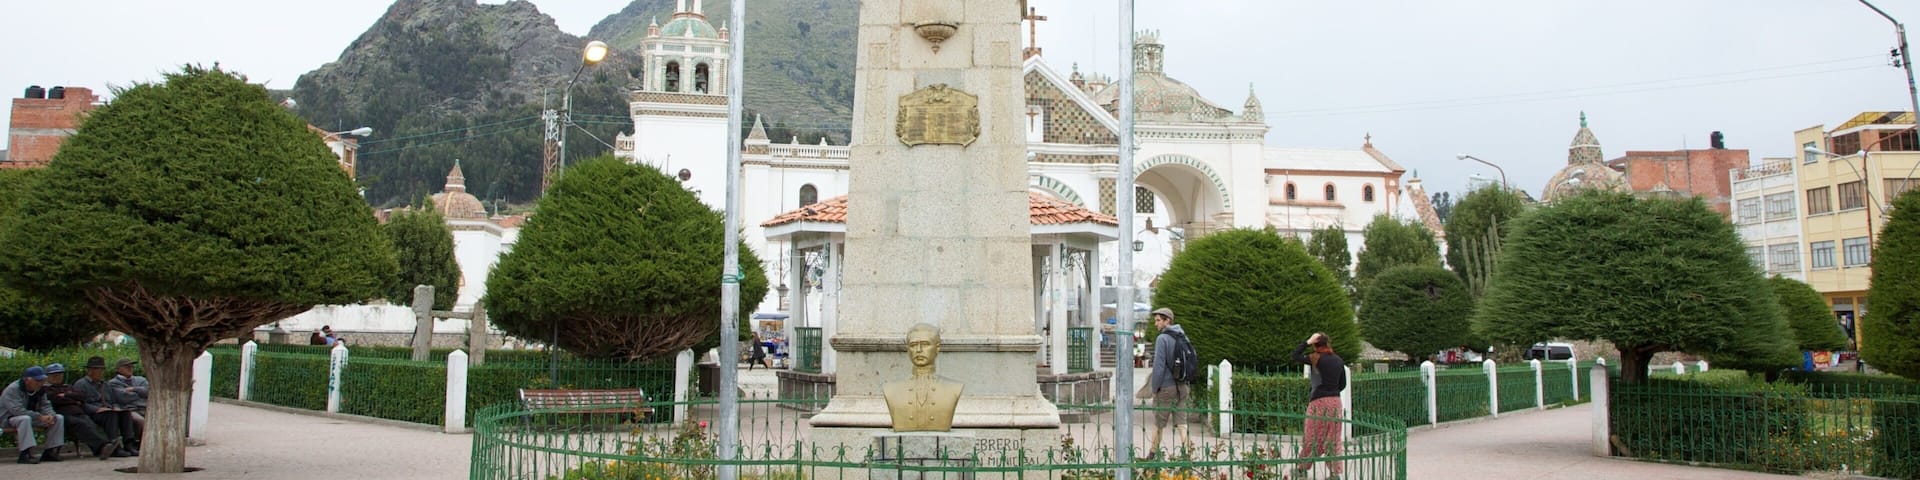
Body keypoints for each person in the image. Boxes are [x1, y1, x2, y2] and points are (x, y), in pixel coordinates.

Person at [1291, 332, 1347, 479]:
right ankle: (1335, 473)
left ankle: (1302, 468)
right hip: (1335, 401)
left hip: (1318, 402)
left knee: (1312, 435)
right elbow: (1343, 384)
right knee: (1333, 437)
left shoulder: (1315, 358)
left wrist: (1307, 342)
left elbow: (1295, 355)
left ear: (1316, 344)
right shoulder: (1338, 360)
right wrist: (1331, 392)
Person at [42, 363, 123, 459]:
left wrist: (66, 395)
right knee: (80, 424)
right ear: (47, 376)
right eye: (54, 375)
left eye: (60, 374)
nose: (57, 377)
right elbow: (55, 400)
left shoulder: (67, 386)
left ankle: (105, 447)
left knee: (89, 423)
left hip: (79, 412)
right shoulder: (45, 389)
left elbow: (82, 396)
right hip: (62, 414)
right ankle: (103, 446)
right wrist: (72, 397)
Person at [1147, 307, 1190, 455]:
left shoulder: (1162, 339)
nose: (1156, 324)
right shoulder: (1183, 336)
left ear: (1168, 321)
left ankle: (1152, 454)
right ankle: (1187, 452)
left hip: (1166, 387)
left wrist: (1154, 388)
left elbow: (1158, 367)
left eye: (1158, 320)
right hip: (1182, 386)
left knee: (1159, 423)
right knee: (1182, 422)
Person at [2, 366, 66, 464]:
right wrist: (39, 417)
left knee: (58, 418)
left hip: (32, 417)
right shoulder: (12, 389)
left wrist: (50, 415)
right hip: (8, 419)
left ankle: (50, 452)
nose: (40, 383)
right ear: (27, 380)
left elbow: (46, 405)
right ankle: (25, 454)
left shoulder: (40, 389)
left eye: (41, 380)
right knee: (24, 419)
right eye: (37, 380)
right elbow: (17, 411)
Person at [75, 356, 138, 456]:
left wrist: (115, 407)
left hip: (108, 409)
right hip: (94, 413)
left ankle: (129, 444)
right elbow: (81, 404)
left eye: (102, 369)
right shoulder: (81, 384)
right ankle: (114, 446)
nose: (101, 372)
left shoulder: (105, 384)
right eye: (98, 370)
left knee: (125, 413)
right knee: (110, 415)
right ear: (90, 371)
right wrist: (97, 409)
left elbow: (113, 400)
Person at [107, 359, 148, 437]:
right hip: (129, 409)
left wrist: (134, 389)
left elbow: (150, 392)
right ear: (118, 369)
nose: (130, 368)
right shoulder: (113, 383)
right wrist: (141, 393)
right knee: (141, 421)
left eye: (131, 366)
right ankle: (140, 443)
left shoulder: (141, 379)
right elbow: (124, 398)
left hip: (146, 407)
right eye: (126, 366)